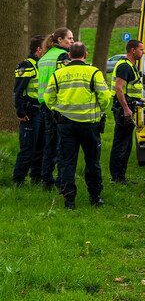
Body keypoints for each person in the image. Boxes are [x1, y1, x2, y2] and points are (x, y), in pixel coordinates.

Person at [43, 42, 111, 209]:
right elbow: (105, 98)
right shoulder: (94, 72)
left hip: (66, 125)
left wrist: (57, 109)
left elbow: (48, 98)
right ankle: (95, 198)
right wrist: (99, 110)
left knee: (67, 162)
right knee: (92, 161)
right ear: (85, 55)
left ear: (69, 55)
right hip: (90, 125)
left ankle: (69, 201)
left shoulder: (58, 74)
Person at [36, 27, 74, 190]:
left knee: (49, 142)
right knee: (61, 142)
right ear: (60, 40)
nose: (72, 41)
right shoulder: (62, 56)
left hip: (44, 103)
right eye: (70, 38)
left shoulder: (44, 57)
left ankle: (46, 179)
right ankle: (61, 180)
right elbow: (65, 78)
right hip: (57, 104)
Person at [109, 39, 145, 184]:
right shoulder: (125, 66)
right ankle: (116, 177)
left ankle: (120, 176)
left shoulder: (130, 65)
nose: (143, 52)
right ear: (132, 50)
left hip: (128, 108)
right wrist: (126, 109)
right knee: (121, 143)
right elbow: (119, 88)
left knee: (126, 143)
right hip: (123, 109)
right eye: (141, 50)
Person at [12, 35, 46, 185]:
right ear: (39, 49)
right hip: (29, 113)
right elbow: (18, 91)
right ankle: (18, 180)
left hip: (41, 112)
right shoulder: (26, 65)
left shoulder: (41, 65)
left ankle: (36, 178)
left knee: (40, 148)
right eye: (45, 48)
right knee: (28, 149)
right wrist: (20, 111)